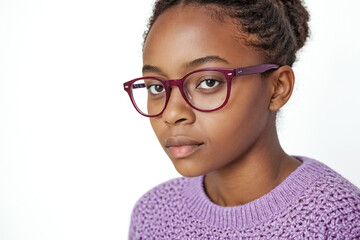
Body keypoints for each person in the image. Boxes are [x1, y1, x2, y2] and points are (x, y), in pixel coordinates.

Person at [124, 0, 360, 238]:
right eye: (155, 87)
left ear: (278, 87)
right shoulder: (152, 215)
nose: (172, 113)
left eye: (209, 82)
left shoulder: (338, 220)